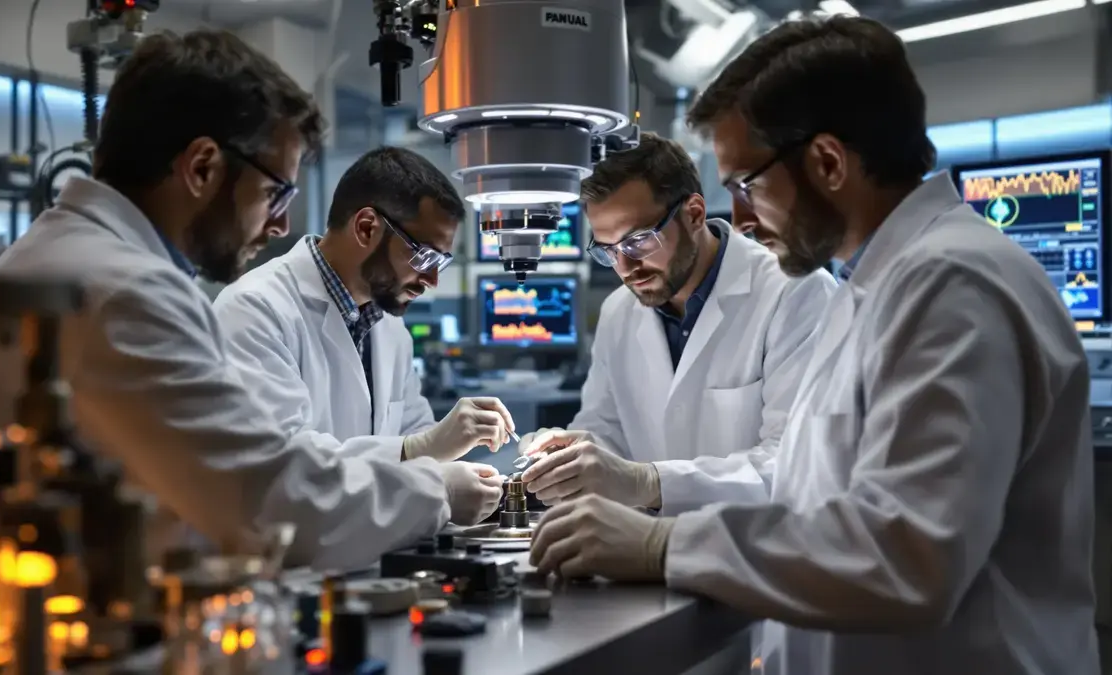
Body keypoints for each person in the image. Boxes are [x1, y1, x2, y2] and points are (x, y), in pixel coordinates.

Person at [528, 16, 1098, 675]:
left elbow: (909, 558)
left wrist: (663, 543)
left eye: (746, 185)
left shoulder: (950, 286)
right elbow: (816, 505)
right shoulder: (874, 287)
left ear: (827, 162)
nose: (737, 217)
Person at [0, 29, 502, 570]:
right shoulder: (127, 291)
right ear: (202, 167)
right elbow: (264, 501)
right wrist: (436, 489)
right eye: (274, 192)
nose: (278, 225)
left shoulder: (67, 258)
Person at [515, 133, 835, 515]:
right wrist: (571, 453)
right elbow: (606, 432)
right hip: (648, 554)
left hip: (757, 557)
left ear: (694, 214)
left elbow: (796, 464)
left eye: (638, 241)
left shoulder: (795, 294)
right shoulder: (620, 311)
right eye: (608, 251)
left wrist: (648, 483)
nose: (625, 268)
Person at [212, 147, 516, 469]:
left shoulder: (387, 324)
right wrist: (423, 449)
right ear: (367, 228)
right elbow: (282, 464)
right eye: (424, 256)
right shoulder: (252, 311)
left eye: (441, 262)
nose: (431, 279)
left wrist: (450, 472)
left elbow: (413, 433)